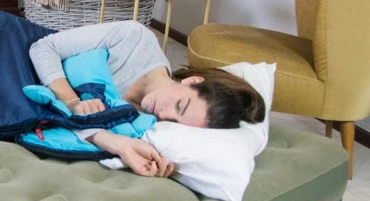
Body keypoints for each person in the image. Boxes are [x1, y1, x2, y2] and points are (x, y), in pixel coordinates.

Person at [29, 20, 265, 179]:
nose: (163, 114)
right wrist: (72, 102)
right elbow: (43, 47)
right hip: (22, 54)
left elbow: (80, 128)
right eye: (179, 105)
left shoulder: (147, 125)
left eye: (173, 122)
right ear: (192, 81)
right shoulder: (135, 39)